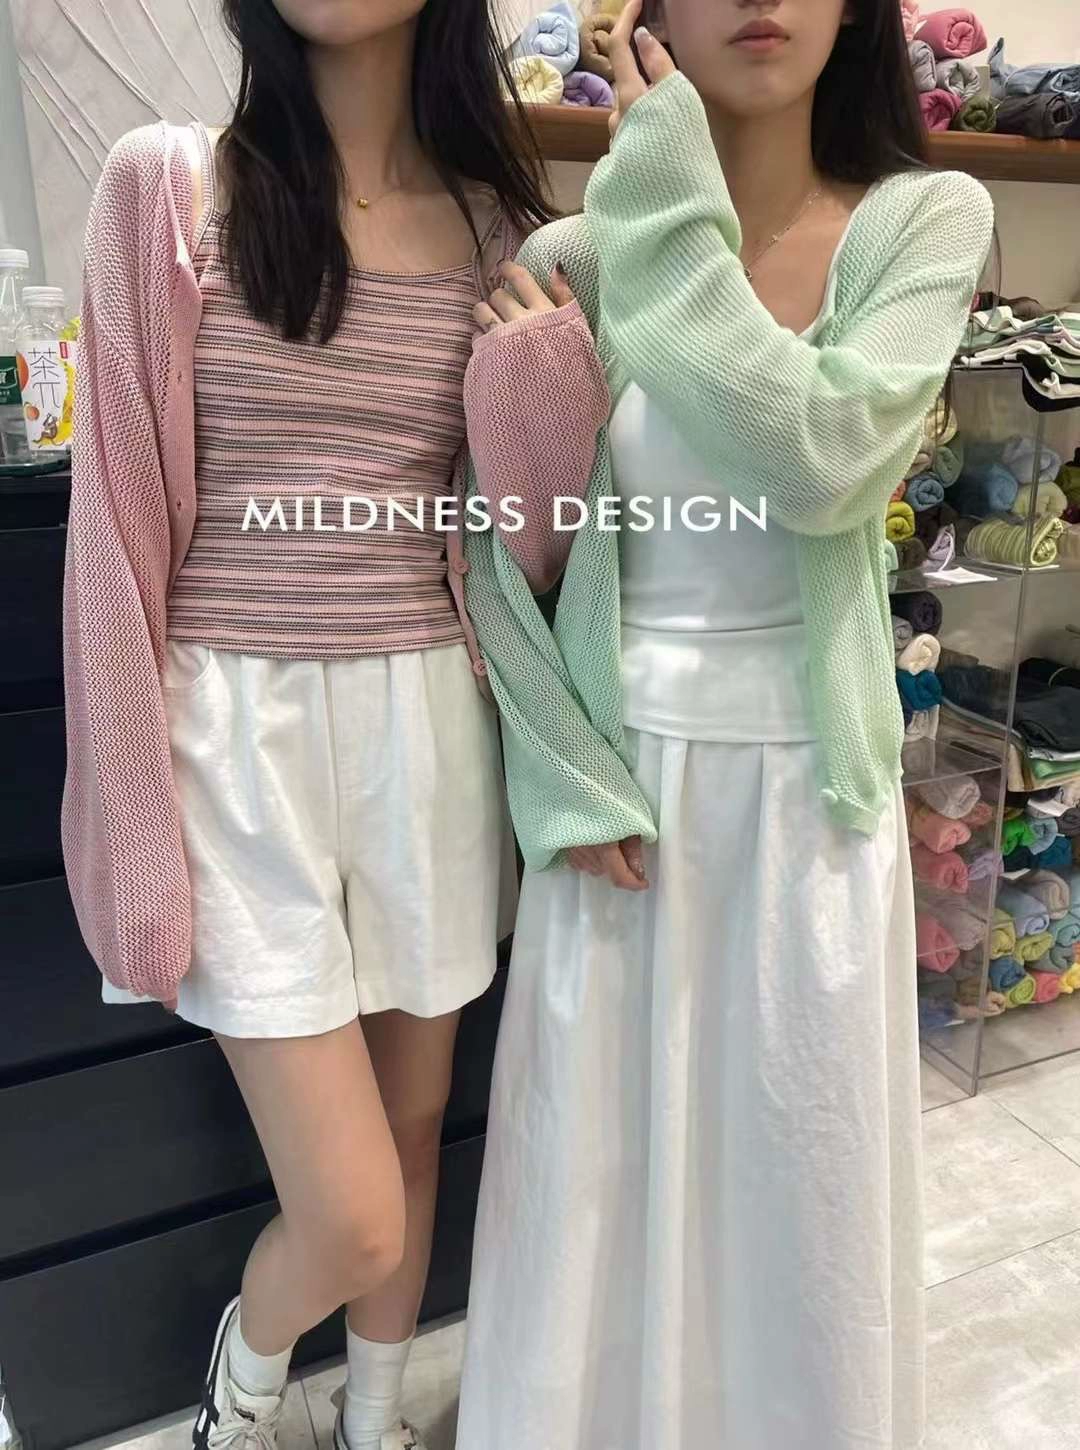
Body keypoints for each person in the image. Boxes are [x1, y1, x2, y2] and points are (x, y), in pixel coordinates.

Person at [456, 0, 994, 1445]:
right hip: (619, 804)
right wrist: (565, 782)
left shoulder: (922, 219)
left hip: (814, 799)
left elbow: (819, 460)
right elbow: (493, 556)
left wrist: (665, 199)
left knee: (796, 1188)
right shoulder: (574, 260)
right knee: (589, 1197)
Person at [60, 3, 551, 1447]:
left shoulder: (499, 228)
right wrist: (123, 801)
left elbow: (531, 547)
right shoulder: (170, 187)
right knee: (350, 1211)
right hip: (234, 737)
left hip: (428, 723)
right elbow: (114, 532)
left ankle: (376, 1420)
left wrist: (545, 388)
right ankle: (247, 1380)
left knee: (413, 1133)